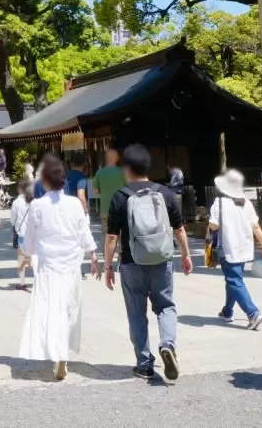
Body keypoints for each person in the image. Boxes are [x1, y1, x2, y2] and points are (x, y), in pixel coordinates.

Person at [104, 143, 192, 382]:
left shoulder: (120, 197)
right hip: (162, 260)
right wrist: (185, 254)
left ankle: (144, 364)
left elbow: (111, 237)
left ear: (127, 169)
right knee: (165, 306)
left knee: (136, 313)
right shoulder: (165, 194)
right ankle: (168, 344)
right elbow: (179, 230)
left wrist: (108, 266)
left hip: (131, 262)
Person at [18, 154, 101, 380]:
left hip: (47, 265)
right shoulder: (74, 204)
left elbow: (30, 239)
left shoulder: (37, 205)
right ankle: (62, 353)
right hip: (71, 264)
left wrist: (27, 254)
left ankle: (58, 353)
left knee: (51, 309)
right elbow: (84, 232)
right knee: (67, 308)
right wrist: (93, 256)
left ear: (45, 181)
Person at [208, 169, 262, 329]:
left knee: (234, 281)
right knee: (233, 280)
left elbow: (213, 225)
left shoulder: (219, 203)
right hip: (245, 248)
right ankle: (227, 311)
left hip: (228, 248)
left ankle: (253, 313)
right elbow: (256, 226)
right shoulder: (246, 203)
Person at [93, 148, 126, 235]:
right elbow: (129, 188)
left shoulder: (99, 173)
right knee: (121, 235)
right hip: (121, 209)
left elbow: (95, 191)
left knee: (107, 235)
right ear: (117, 158)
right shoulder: (122, 172)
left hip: (105, 209)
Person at [12, 180, 34, 290]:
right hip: (33, 235)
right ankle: (38, 281)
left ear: (20, 189)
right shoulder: (34, 201)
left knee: (21, 259)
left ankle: (22, 283)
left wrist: (15, 226)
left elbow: (12, 219)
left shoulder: (16, 202)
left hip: (21, 234)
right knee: (34, 259)